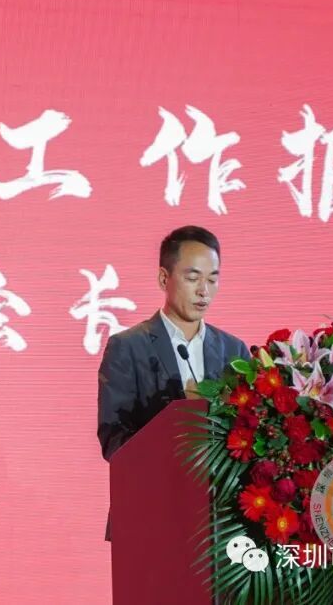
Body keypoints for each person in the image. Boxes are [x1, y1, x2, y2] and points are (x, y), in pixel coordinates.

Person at [97, 225, 251, 541]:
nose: (204, 291)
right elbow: (114, 439)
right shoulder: (128, 347)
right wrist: (177, 430)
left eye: (212, 279)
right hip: (150, 515)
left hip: (221, 523)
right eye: (193, 278)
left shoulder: (234, 351)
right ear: (163, 279)